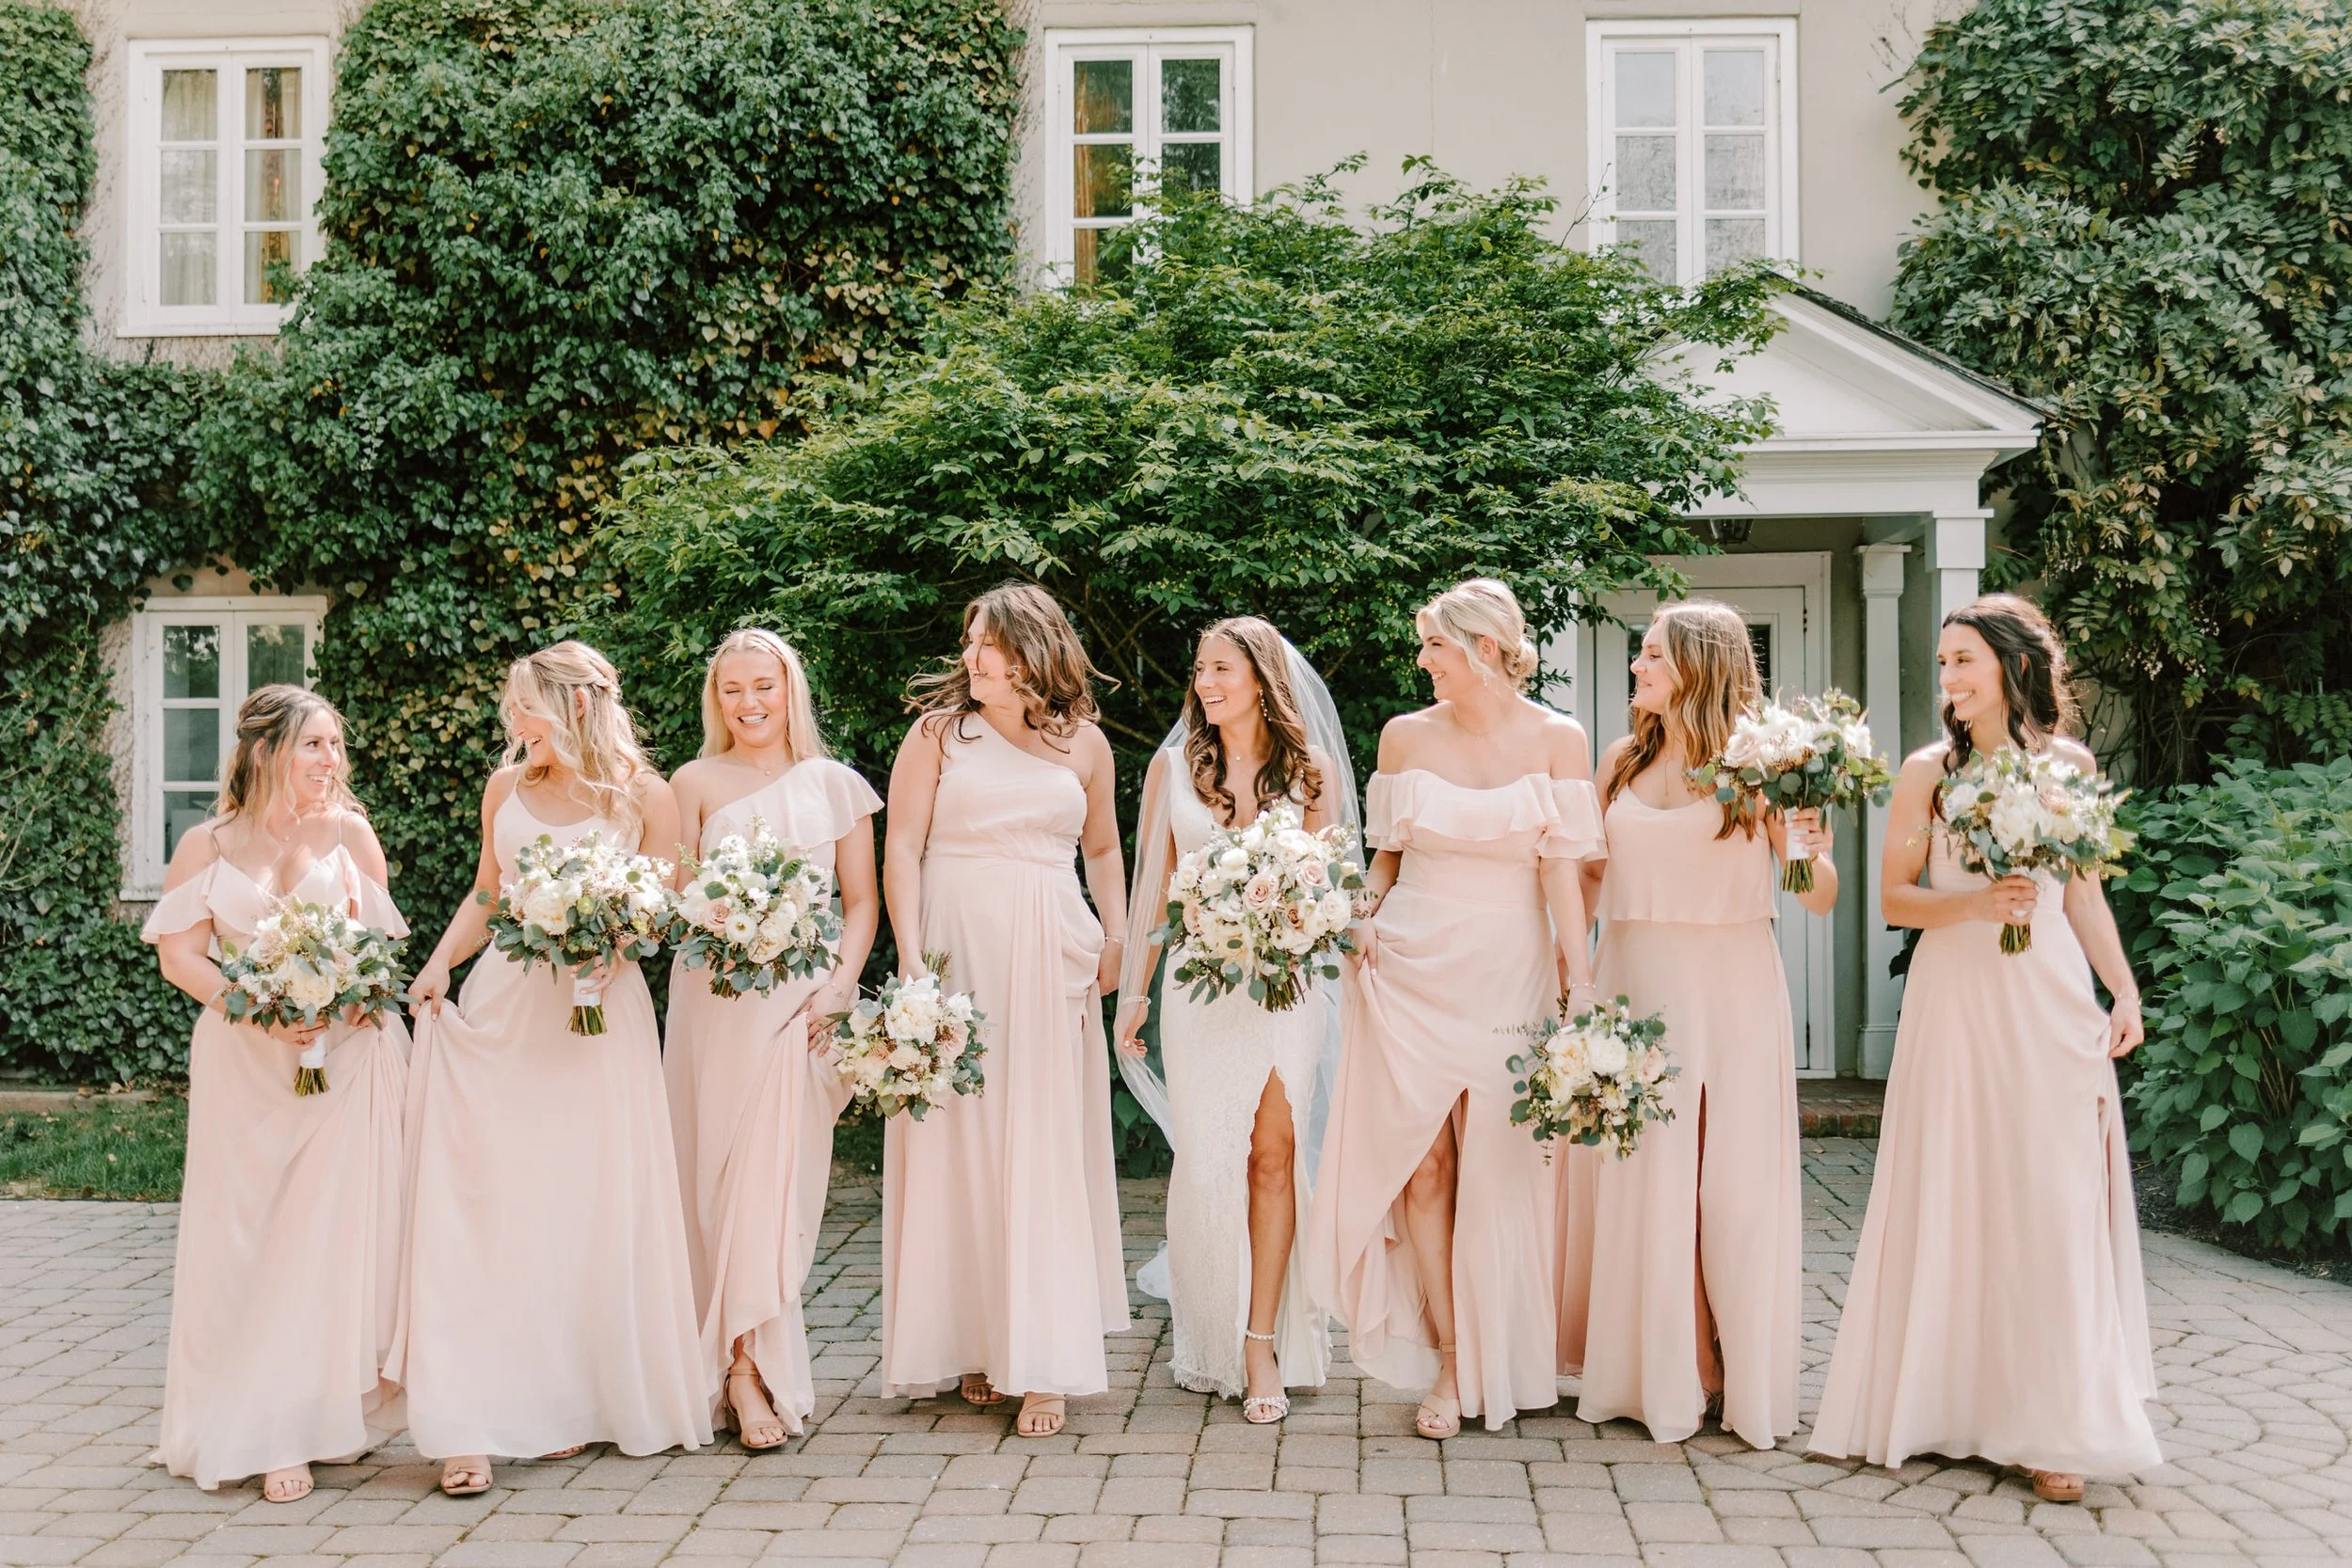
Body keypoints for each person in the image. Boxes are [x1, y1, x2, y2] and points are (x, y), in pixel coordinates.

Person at [1809, 593, 2160, 1501]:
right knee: (1959, 1184)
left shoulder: (2069, 766)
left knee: (2051, 1196)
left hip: (2046, 997)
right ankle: (1939, 1402)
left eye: (1963, 660)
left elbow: (2081, 894)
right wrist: (1975, 903)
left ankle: (2051, 1423)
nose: (1950, 679)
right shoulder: (1929, 773)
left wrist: (2121, 987)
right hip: (1957, 998)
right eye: (1943, 664)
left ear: (2011, 666)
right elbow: (1893, 898)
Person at [395, 641, 707, 1493]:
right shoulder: (508, 788)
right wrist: (439, 964)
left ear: (574, 707)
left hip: (602, 1016)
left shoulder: (649, 794)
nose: (513, 722)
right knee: (503, 1200)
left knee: (592, 1196)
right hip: (508, 1005)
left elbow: (664, 907)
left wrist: (619, 944)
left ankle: (579, 1399)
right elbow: (487, 893)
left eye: (526, 706)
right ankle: (491, 1399)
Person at [1307, 578, 1603, 1437]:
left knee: (1500, 1170)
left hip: (1509, 968)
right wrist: (1356, 922)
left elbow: (1561, 870)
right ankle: (1448, 1360)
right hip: (1410, 967)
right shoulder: (1404, 736)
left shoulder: (1559, 738)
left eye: (1434, 644)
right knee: (1426, 1167)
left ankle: (1504, 1354)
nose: (1422, 660)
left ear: (1483, 647)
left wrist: (1579, 985)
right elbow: (1385, 860)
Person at [1559, 600, 1832, 1449]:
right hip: (1635, 983)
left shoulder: (1766, 765)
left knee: (1730, 1183)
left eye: (1650, 657)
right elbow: (1590, 881)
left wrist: (1801, 841)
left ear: (1698, 668)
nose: (1636, 669)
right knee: (1653, 1177)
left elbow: (1817, 893)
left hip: (1735, 984)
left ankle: (1735, 1363)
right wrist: (1574, 980)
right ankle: (1683, 1366)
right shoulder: (1619, 761)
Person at [143, 686, 410, 1501]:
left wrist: (353, 998)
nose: (331, 762)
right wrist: (262, 1012)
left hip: (349, 1061)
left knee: (324, 1239)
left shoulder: (351, 832)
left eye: (335, 744)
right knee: (249, 1237)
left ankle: (310, 1414)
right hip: (245, 1065)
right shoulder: (206, 843)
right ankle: (258, 1421)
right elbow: (181, 957)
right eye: (314, 746)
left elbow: (381, 945)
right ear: (266, 752)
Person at [877, 583, 1131, 1439]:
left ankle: (1047, 1358)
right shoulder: (939, 735)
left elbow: (1101, 845)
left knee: (1039, 1139)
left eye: (986, 643)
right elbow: (902, 847)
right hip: (958, 948)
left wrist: (1117, 936)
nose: (971, 657)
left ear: (1031, 651)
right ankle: (983, 1339)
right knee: (962, 1139)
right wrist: (912, 960)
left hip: (1050, 947)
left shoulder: (1085, 744)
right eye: (969, 642)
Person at [1114, 617, 1352, 1422]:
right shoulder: (1173, 767)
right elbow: (1154, 884)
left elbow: (1333, 888)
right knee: (1210, 1156)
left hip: (1286, 983)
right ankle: (1212, 1327)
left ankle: (1261, 1340)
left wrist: (1294, 923)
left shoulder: (1311, 772)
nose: (1207, 683)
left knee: (1273, 1155)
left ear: (1261, 676)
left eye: (1223, 668)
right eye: (1201, 669)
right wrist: (1136, 994)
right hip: (1198, 985)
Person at [665, 628, 881, 1449]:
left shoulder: (837, 786)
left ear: (791, 690)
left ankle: (753, 1361)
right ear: (715, 700)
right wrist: (719, 915)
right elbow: (674, 889)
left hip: (802, 1003)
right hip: (714, 999)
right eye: (732, 690)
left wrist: (839, 982)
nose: (750, 703)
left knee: (777, 1187)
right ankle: (730, 1368)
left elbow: (859, 901)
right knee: (714, 1181)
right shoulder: (691, 781)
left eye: (764, 686)